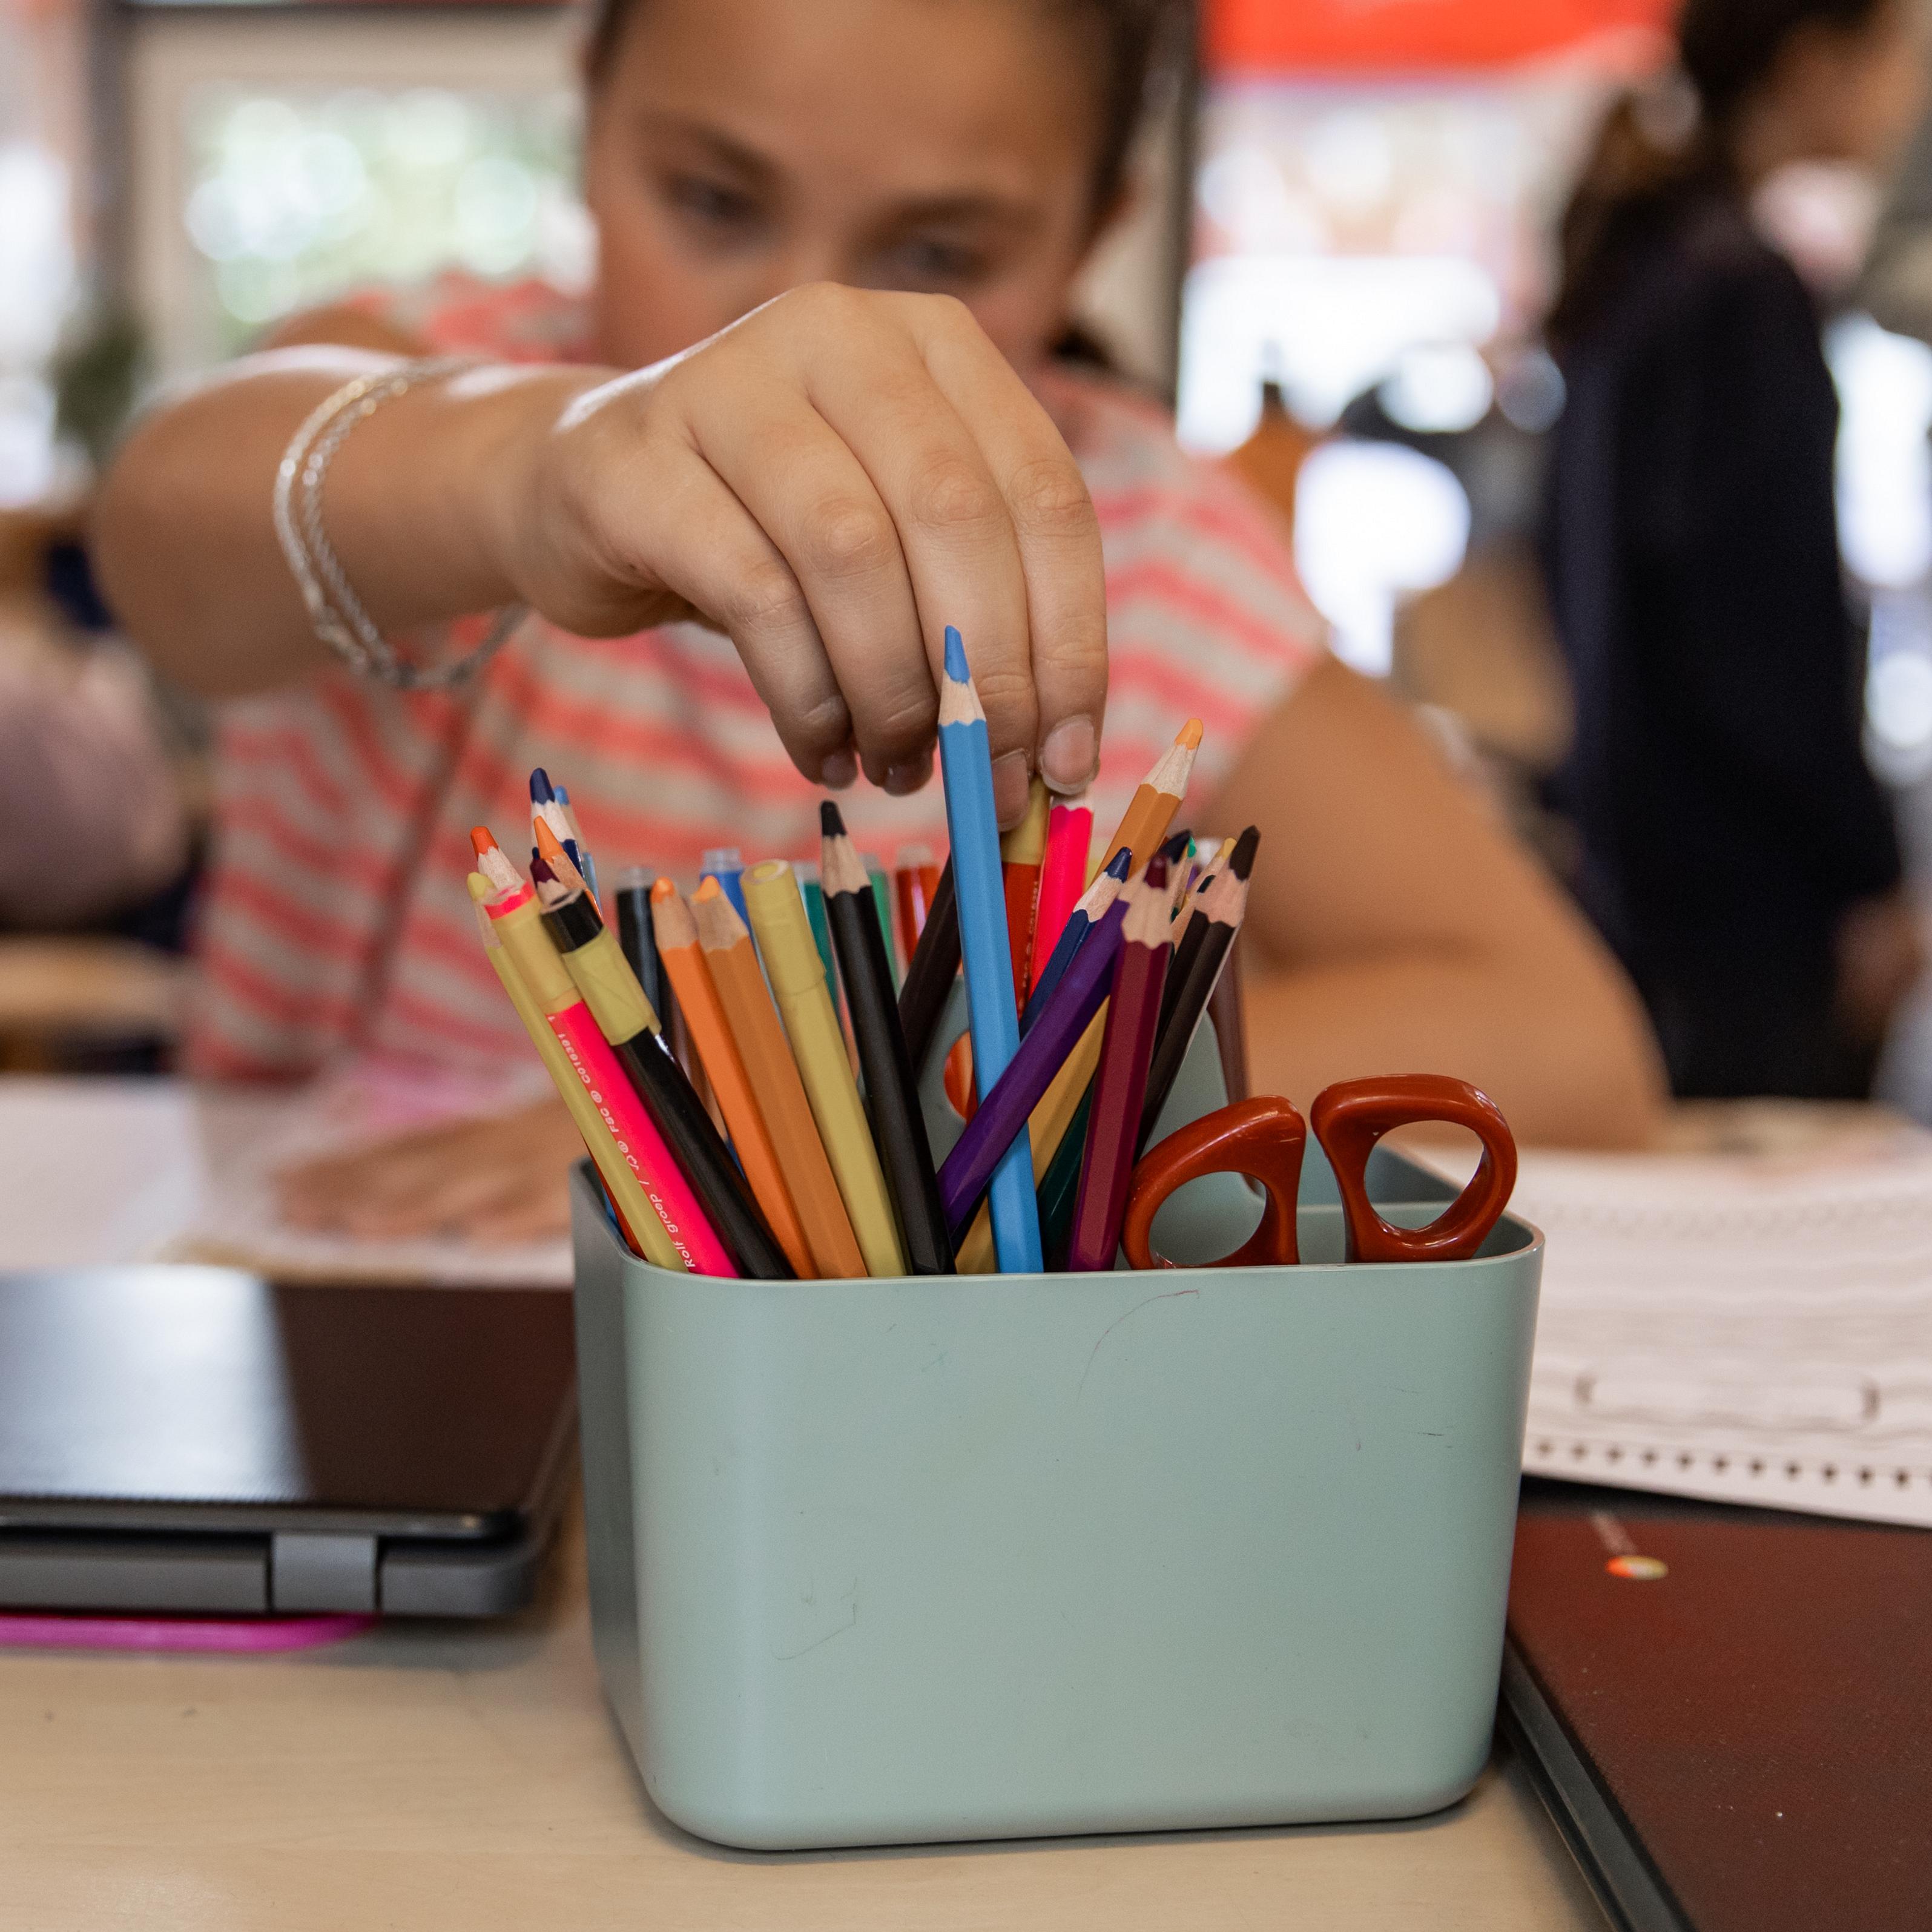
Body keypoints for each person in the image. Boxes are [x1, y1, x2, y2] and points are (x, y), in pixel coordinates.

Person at [91, 0, 1663, 1242]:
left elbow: (1566, 1037)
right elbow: (171, 539)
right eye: (711, 199)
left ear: (1094, 226)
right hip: (339, 1317)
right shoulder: (435, 366)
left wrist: (794, 1099)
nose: (799, 329)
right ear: (587, 118)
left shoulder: (1144, 541)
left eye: (935, 256)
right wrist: (531, 466)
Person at [1543, 0, 1927, 1101]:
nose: (1907, 97)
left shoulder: (1644, 257)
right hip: (1748, 910)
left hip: (1644, 876)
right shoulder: (1742, 290)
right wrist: (1868, 873)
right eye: (1894, 62)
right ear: (1814, 66)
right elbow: (1767, 636)